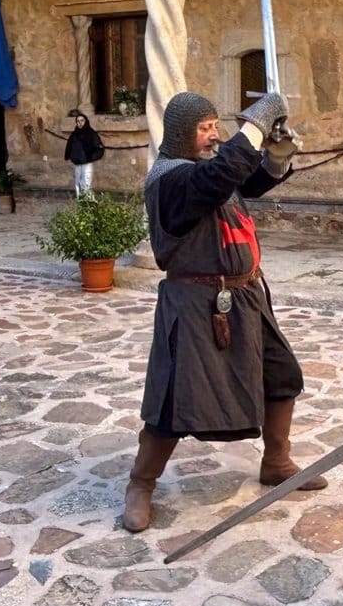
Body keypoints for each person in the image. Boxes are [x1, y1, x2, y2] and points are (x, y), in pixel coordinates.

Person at [122, 90, 327, 533]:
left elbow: (245, 179)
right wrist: (255, 121)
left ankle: (276, 461)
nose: (213, 135)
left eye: (216, 126)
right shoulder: (171, 180)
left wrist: (276, 155)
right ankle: (140, 484)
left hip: (247, 296)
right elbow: (220, 177)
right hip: (196, 304)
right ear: (179, 134)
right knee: (173, 400)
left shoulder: (207, 170)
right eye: (204, 128)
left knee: (281, 375)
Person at [65, 110, 104, 198]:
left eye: (82, 120)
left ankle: (89, 206)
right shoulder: (74, 134)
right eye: (78, 121)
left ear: (86, 121)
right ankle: (80, 206)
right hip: (77, 164)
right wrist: (71, 157)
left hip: (87, 164)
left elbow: (100, 149)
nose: (80, 123)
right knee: (78, 185)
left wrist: (89, 157)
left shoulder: (92, 134)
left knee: (86, 185)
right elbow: (69, 147)